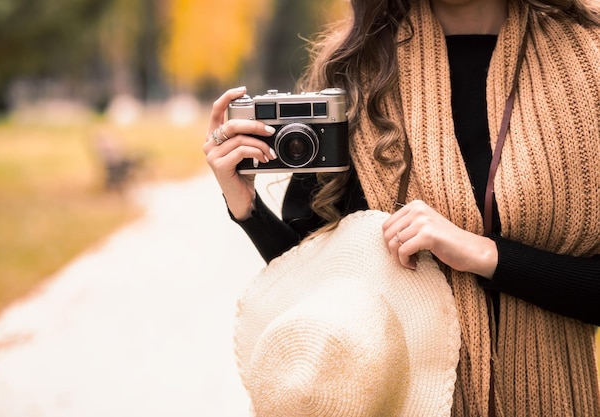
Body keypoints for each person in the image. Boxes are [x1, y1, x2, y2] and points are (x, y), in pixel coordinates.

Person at [204, 0, 600, 415]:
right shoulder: (357, 74)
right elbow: (318, 289)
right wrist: (246, 206)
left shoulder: (587, 60)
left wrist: (487, 255)